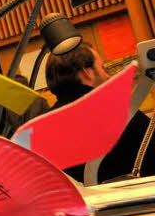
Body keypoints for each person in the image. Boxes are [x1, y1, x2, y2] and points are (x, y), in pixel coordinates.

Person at [45, 42, 155, 182]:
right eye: (103, 68)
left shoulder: (41, 127)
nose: (108, 75)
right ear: (87, 72)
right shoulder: (118, 112)